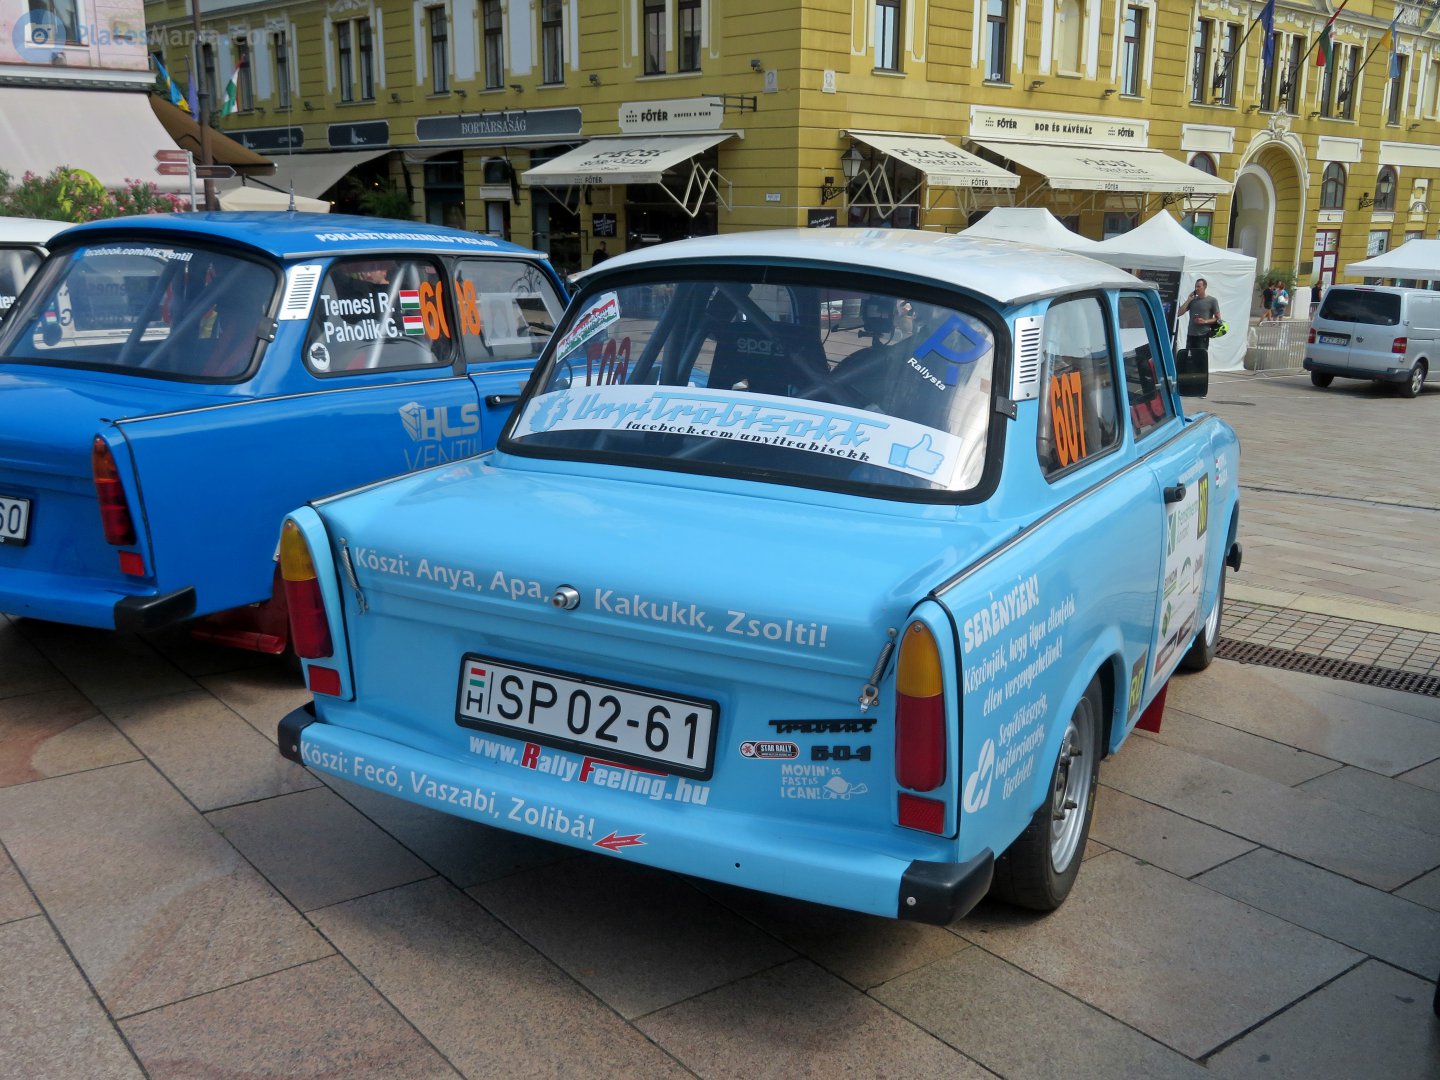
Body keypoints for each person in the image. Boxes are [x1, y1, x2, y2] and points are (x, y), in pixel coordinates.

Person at [1178, 277, 1221, 359]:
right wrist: (1188, 300)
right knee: (1189, 359)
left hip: (1203, 335)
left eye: (1198, 286)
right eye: (1195, 286)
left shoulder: (1212, 300)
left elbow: (1218, 318)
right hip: (1191, 334)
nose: (1196, 288)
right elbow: (1179, 313)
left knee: (1200, 359)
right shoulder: (1192, 300)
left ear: (1205, 287)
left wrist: (1204, 321)